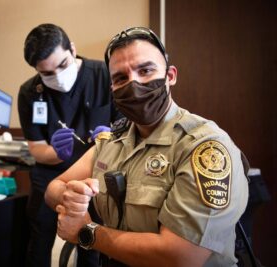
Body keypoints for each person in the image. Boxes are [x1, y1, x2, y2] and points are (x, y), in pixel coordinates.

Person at [45, 27, 249, 267]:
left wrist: (87, 232)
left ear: (170, 76)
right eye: (120, 78)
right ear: (113, 89)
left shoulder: (203, 147)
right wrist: (71, 198)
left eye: (146, 70)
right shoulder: (113, 140)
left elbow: (180, 257)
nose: (134, 83)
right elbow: (53, 188)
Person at [18, 23, 121, 267]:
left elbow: (127, 129)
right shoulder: (30, 93)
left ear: (72, 49)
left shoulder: (103, 75)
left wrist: (112, 138)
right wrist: (56, 152)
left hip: (95, 173)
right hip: (51, 173)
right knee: (40, 234)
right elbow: (36, 150)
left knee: (92, 238)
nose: (58, 78)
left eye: (62, 65)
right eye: (47, 74)